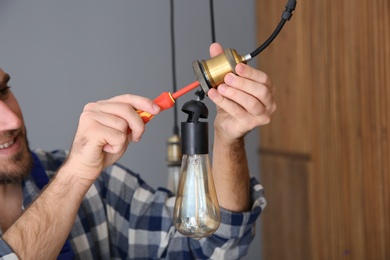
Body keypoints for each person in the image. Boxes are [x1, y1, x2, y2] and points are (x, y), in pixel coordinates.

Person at [0, 43, 276, 259]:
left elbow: (210, 248)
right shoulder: (76, 176)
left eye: (3, 91)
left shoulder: (94, 186)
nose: (13, 121)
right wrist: (73, 178)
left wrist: (228, 138)